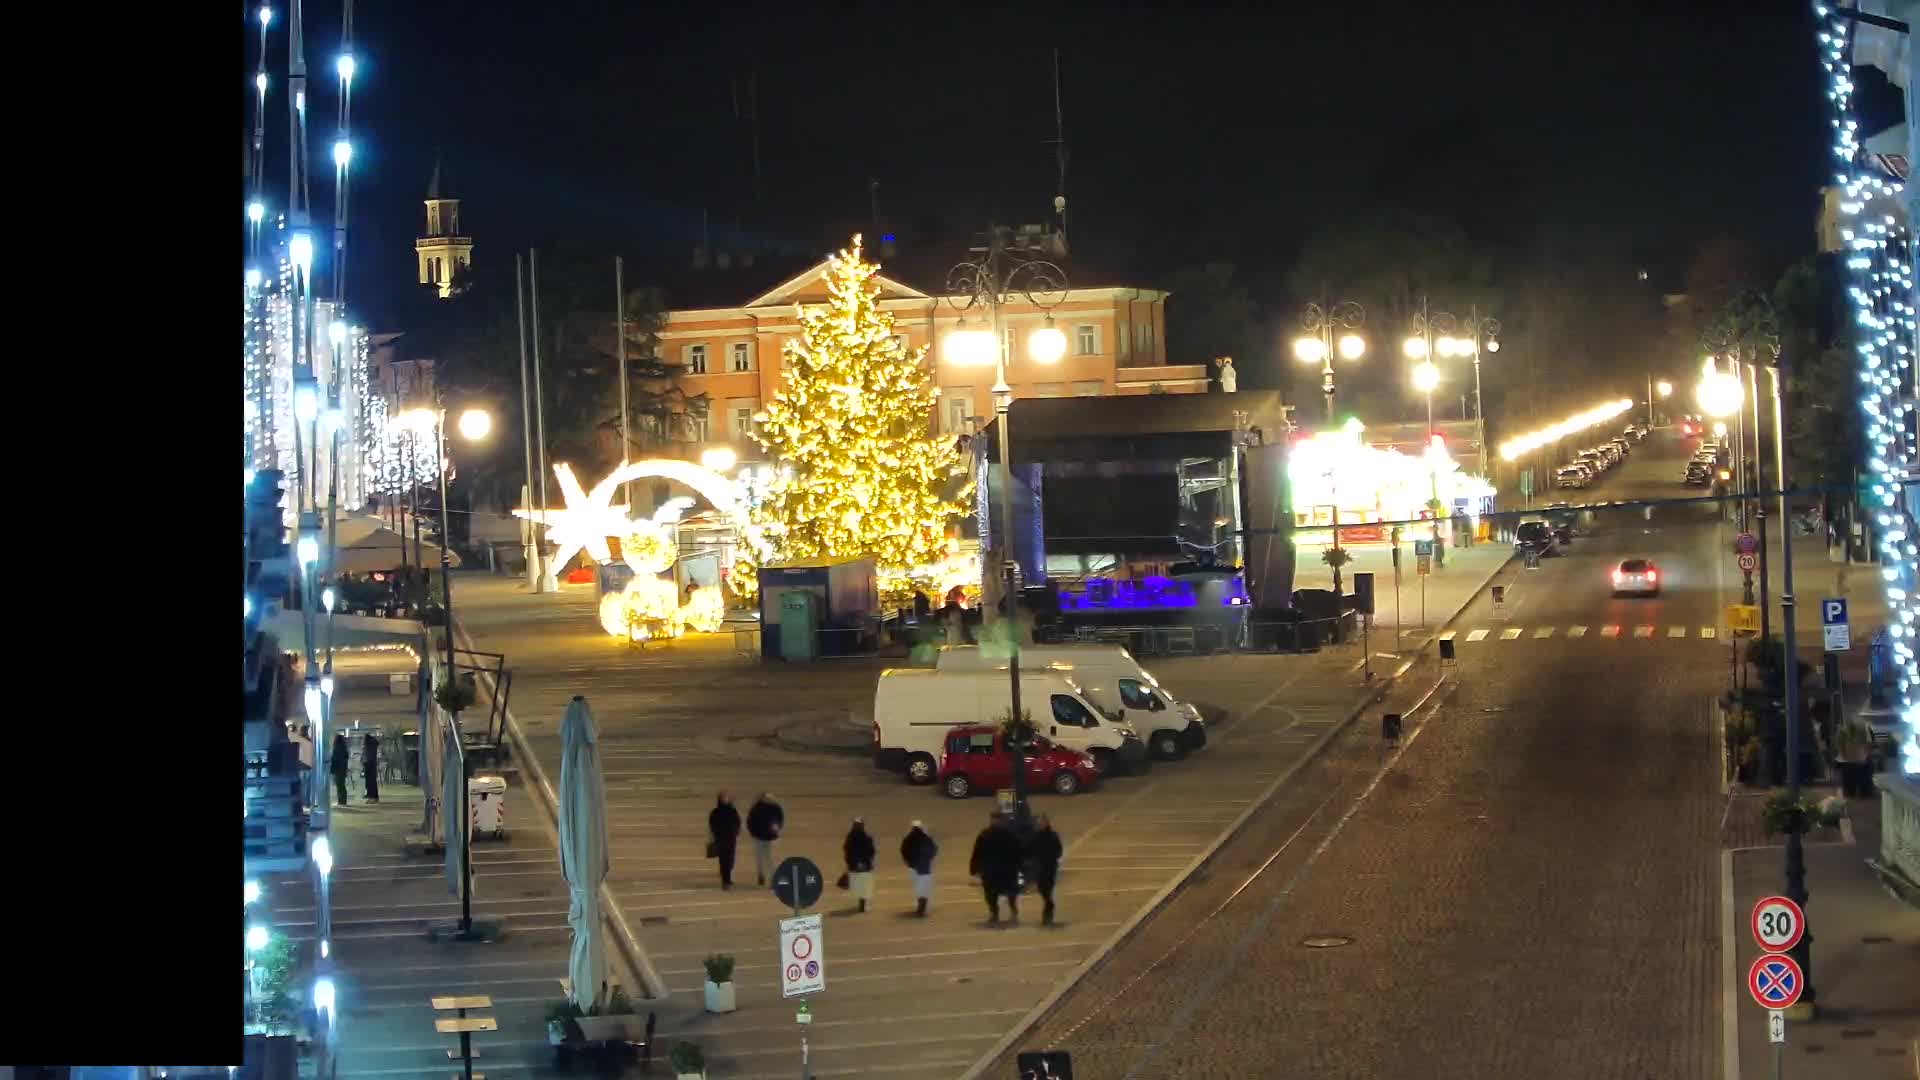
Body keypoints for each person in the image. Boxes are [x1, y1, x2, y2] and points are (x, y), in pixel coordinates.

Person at [969, 811, 1025, 925]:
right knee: (990, 894)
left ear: (1001, 821)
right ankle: (994, 914)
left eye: (996, 819)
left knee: (1011, 893)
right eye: (993, 819)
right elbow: (978, 851)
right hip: (991, 869)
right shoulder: (985, 834)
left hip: (1007, 869)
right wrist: (974, 867)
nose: (994, 822)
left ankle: (1013, 914)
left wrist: (1020, 866)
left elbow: (1018, 851)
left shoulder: (1009, 834)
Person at [1026, 814, 1064, 927]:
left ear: (1047, 823)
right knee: (1043, 890)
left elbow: (1059, 850)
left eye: (1042, 823)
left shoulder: (1053, 836)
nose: (1039, 825)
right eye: (1038, 823)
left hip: (1050, 867)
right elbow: (1028, 850)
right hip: (1039, 867)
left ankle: (1047, 914)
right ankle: (1049, 909)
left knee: (1047, 890)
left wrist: (1052, 857)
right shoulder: (1035, 837)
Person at [900, 820, 939, 916]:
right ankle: (922, 907)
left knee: (919, 888)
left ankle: (921, 907)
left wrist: (908, 862)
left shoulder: (908, 839)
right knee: (923, 888)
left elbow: (904, 851)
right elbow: (934, 850)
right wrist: (929, 859)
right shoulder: (926, 838)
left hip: (914, 867)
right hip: (924, 867)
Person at [746, 792, 784, 886]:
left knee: (768, 858)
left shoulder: (775, 808)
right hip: (758, 836)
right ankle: (761, 875)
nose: (769, 799)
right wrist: (752, 832)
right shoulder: (756, 808)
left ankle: (771, 878)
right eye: (767, 797)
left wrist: (777, 828)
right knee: (760, 857)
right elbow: (750, 821)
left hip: (768, 837)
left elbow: (780, 820)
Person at [707, 792, 742, 889]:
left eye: (726, 797)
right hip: (721, 839)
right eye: (724, 798)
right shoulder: (715, 812)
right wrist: (715, 835)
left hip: (731, 838)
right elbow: (712, 825)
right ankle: (725, 881)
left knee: (730, 859)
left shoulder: (732, 811)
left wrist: (737, 831)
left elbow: (737, 822)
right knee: (723, 860)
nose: (725, 799)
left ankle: (727, 878)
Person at [842, 817, 876, 913]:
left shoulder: (850, 837)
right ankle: (862, 905)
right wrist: (867, 862)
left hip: (854, 864)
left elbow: (846, 850)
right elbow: (871, 851)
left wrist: (849, 862)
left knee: (859, 885)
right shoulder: (867, 837)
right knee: (863, 886)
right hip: (865, 865)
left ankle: (861, 905)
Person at [330, 731, 351, 807]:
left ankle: (341, 802)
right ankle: (343, 801)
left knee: (339, 786)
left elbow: (334, 759)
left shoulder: (336, 749)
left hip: (338, 769)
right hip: (343, 769)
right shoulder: (344, 749)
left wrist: (332, 769)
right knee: (342, 785)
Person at [361, 731, 381, 804]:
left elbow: (367, 756)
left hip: (369, 765)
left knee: (370, 782)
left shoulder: (369, 746)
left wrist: (364, 761)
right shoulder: (372, 745)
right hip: (371, 765)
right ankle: (374, 797)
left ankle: (372, 797)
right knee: (372, 782)